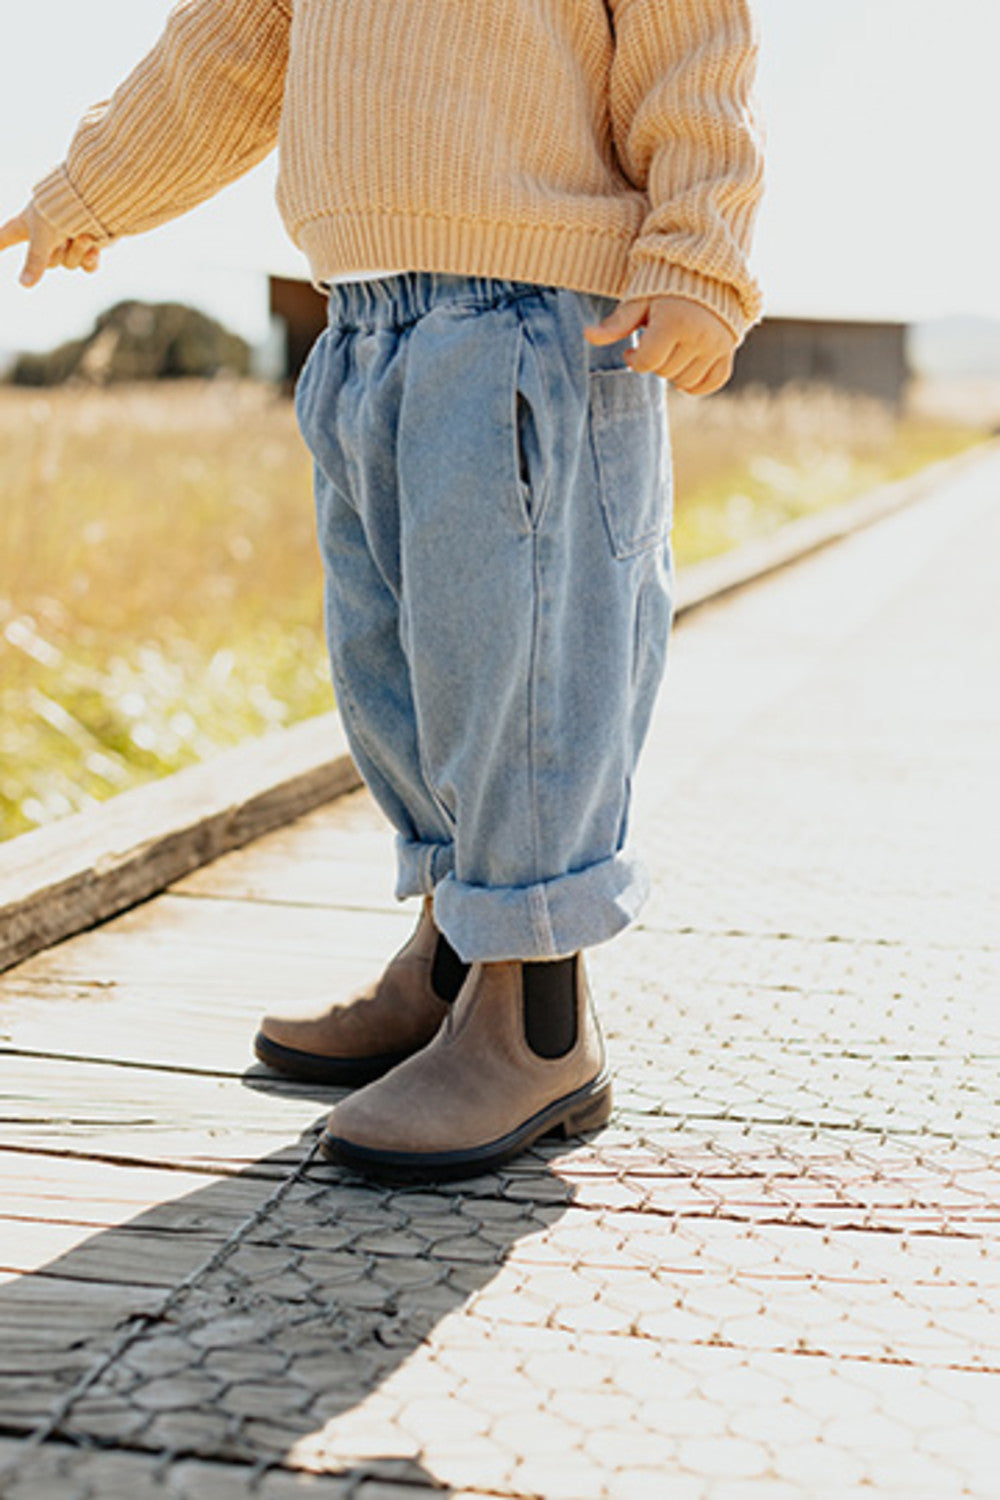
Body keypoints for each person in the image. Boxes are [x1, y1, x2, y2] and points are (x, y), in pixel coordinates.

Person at [0, 0, 764, 1183]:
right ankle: (452, 961)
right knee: (400, 662)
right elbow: (227, 49)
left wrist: (699, 254)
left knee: (519, 670)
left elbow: (693, 47)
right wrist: (91, 189)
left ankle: (534, 1021)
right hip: (362, 321)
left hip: (534, 310)